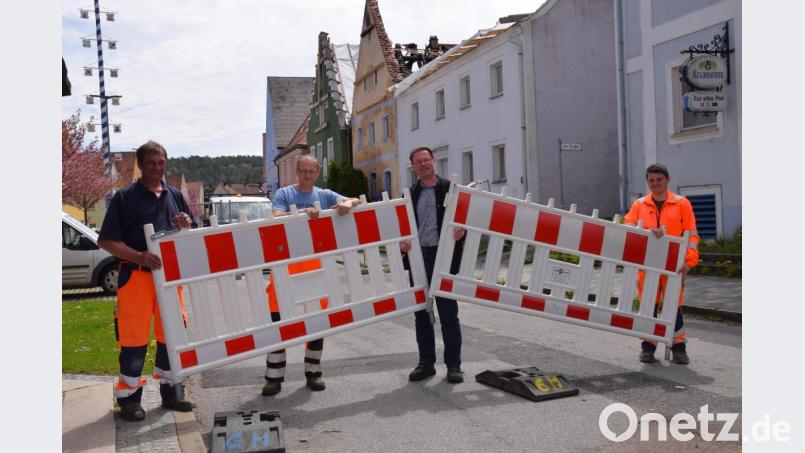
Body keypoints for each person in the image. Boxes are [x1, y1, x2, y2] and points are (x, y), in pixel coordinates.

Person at [98, 141, 196, 422]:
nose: (157, 167)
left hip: (169, 278)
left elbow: (190, 234)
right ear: (141, 164)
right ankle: (128, 400)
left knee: (172, 336)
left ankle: (172, 393)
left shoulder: (175, 195)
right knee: (133, 340)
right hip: (136, 277)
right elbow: (106, 240)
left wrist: (184, 225)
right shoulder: (124, 198)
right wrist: (139, 256)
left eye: (161, 162)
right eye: (151, 163)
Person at [262, 154, 361, 396]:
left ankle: (313, 372)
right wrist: (301, 214)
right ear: (297, 172)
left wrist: (349, 203)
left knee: (317, 319)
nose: (307, 175)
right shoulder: (284, 194)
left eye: (311, 172)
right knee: (278, 318)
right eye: (303, 171)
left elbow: (355, 199)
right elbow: (276, 216)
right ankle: (274, 378)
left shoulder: (324, 195)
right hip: (286, 263)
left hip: (316, 263)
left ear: (317, 173)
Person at [401, 146, 466, 383]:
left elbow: (465, 219)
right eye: (418, 162)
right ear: (414, 167)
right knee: (421, 313)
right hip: (419, 257)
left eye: (426, 160)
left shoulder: (451, 189)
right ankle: (426, 363)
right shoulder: (409, 194)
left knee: (449, 313)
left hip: (444, 255)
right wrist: (403, 245)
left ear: (434, 162)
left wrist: (462, 232)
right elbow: (402, 229)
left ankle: (454, 365)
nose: (423, 164)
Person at [624, 163, 700, 364]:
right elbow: (629, 228)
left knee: (674, 307)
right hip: (647, 266)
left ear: (667, 180)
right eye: (651, 180)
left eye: (659, 180)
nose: (655, 184)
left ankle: (678, 348)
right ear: (647, 182)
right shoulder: (639, 205)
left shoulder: (682, 203)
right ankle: (648, 347)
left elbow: (691, 235)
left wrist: (689, 263)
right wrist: (649, 230)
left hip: (674, 266)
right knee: (649, 306)